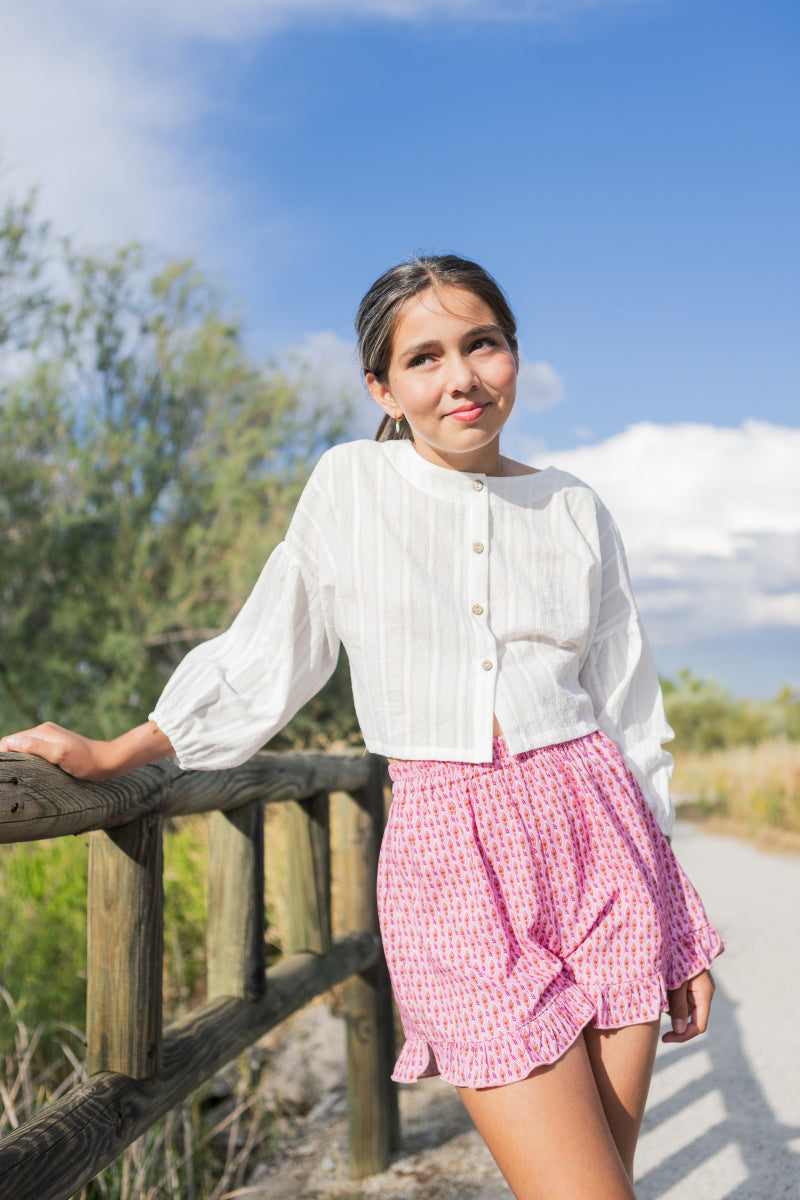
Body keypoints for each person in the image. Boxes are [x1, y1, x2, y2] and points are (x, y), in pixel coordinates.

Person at [0, 255, 722, 1199]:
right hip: (450, 861)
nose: (460, 376)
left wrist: (673, 905)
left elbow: (628, 707)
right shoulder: (349, 486)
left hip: (603, 842)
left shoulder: (575, 506)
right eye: (424, 358)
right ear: (382, 386)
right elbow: (273, 647)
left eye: (482, 343)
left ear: (515, 354)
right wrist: (126, 751)